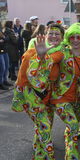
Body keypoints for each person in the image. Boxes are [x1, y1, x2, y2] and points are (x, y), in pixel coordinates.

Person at [34, 23, 80, 160]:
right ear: (68, 39)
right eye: (72, 37)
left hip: (77, 98)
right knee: (73, 125)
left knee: (61, 126)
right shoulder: (63, 52)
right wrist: (41, 56)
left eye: (79, 37)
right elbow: (50, 61)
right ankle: (71, 156)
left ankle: (39, 147)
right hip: (60, 97)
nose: (75, 40)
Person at [12, 23, 65, 160]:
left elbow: (54, 61)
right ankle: (46, 155)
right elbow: (29, 73)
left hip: (47, 94)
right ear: (45, 35)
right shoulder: (32, 51)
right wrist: (40, 56)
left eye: (57, 34)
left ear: (62, 37)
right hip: (30, 93)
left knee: (45, 124)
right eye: (50, 33)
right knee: (44, 125)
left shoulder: (61, 52)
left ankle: (38, 148)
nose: (53, 36)